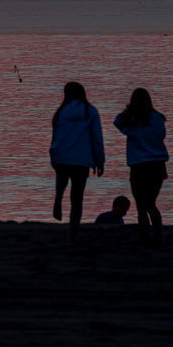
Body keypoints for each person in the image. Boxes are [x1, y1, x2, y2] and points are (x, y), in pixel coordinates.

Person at [113, 87, 170, 247]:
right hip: (157, 165)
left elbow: (117, 121)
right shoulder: (158, 118)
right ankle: (158, 236)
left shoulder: (131, 119)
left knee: (141, 206)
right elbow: (162, 135)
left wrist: (128, 110)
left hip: (139, 166)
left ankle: (145, 236)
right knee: (151, 203)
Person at [49, 81, 105, 241]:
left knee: (61, 181)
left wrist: (53, 154)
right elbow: (97, 138)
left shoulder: (61, 112)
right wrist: (99, 160)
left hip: (62, 156)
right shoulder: (90, 111)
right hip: (81, 159)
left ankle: (58, 199)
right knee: (77, 197)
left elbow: (56, 136)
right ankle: (73, 232)